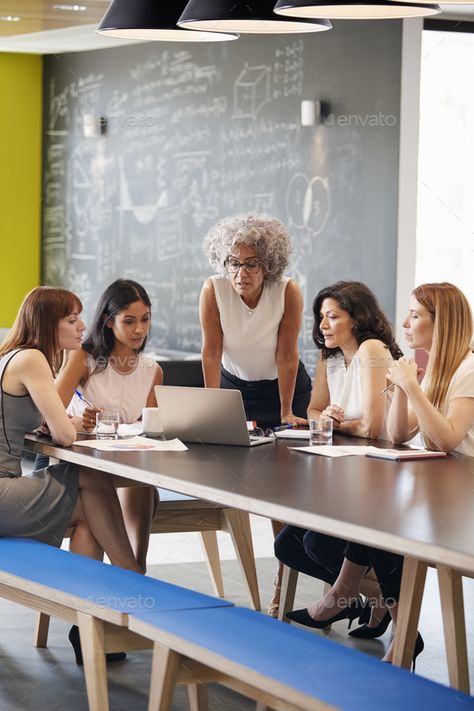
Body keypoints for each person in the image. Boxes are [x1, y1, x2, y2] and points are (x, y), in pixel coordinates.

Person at [296, 282, 474, 667]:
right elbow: (398, 434)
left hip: (462, 494)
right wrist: (400, 390)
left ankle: (371, 615)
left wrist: (409, 385)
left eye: (414, 315)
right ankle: (395, 629)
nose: (405, 322)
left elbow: (446, 439)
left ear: (441, 324)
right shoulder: (431, 370)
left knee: (376, 530)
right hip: (436, 483)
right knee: (350, 530)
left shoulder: (469, 368)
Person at [0, 287, 142, 662]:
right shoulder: (32, 359)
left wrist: (66, 422)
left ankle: (91, 625)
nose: (83, 325)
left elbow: (33, 426)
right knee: (90, 477)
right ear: (49, 323)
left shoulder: (9, 355)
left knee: (87, 519)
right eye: (72, 318)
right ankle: (133, 580)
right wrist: (68, 424)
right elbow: (63, 434)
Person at [200, 213, 312, 616]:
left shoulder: (288, 292)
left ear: (269, 265)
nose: (240, 272)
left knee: (280, 487)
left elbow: (287, 354)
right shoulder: (213, 289)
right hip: (237, 387)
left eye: (251, 264)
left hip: (284, 388)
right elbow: (212, 351)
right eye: (233, 262)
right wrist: (211, 407)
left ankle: (283, 587)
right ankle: (248, 574)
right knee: (237, 476)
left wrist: (285, 412)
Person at [275, 281, 402, 637]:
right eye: (320, 317)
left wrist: (338, 423)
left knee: (316, 543)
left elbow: (374, 427)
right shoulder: (329, 357)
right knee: (287, 545)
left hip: (382, 476)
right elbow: (313, 409)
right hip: (346, 471)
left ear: (357, 319)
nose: (323, 326)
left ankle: (377, 604)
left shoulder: (373, 350)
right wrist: (326, 418)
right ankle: (385, 599)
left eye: (333, 317)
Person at [55, 279, 163, 571]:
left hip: (125, 463)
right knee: (131, 485)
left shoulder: (152, 371)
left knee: (143, 481)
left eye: (145, 320)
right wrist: (78, 421)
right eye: (129, 321)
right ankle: (133, 576)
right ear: (107, 320)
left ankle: (136, 568)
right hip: (84, 465)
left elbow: (148, 428)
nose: (139, 330)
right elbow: (48, 411)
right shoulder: (84, 360)